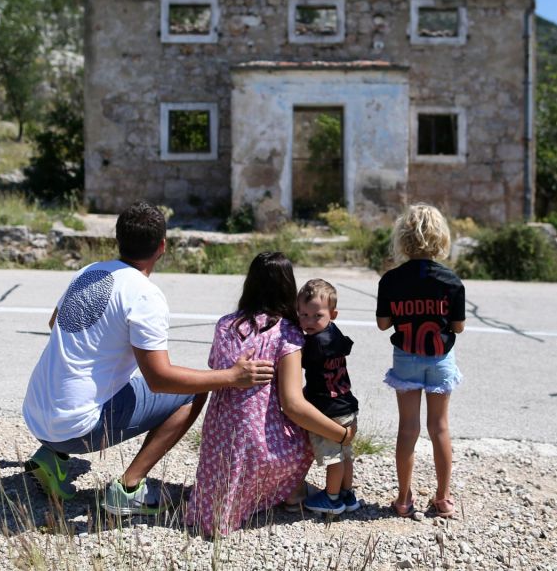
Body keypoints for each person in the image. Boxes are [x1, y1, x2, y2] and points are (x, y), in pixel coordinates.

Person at [21, 202, 274, 515]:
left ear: (118, 240)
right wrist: (232, 377)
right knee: (192, 392)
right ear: (162, 246)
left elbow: (54, 324)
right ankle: (129, 488)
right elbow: (160, 379)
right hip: (75, 426)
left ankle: (50, 456)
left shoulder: (89, 272)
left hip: (35, 414)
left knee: (99, 380)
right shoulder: (144, 294)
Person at [185, 252, 357, 536]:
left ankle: (246, 497)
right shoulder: (287, 331)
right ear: (288, 287)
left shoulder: (225, 324)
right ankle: (290, 492)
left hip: (219, 440)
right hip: (262, 448)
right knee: (307, 436)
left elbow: (215, 367)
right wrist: (339, 434)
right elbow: (292, 405)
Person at [375, 203, 466, 519]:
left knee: (408, 428)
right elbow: (458, 327)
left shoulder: (391, 280)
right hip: (440, 357)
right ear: (441, 237)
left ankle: (403, 499)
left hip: (406, 357)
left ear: (402, 238)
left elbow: (384, 324)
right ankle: (443, 497)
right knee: (439, 427)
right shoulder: (451, 281)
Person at [296, 279, 362, 516]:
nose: (309, 322)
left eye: (317, 316)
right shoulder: (334, 333)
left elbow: (295, 364)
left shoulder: (314, 343)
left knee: (333, 458)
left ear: (333, 314)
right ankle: (347, 493)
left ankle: (332, 499)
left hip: (328, 410)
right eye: (303, 315)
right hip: (347, 403)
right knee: (346, 454)